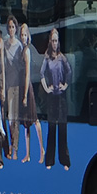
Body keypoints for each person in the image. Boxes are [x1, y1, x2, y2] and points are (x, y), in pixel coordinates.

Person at [40, 28, 72, 170]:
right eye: (52, 40)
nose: (54, 43)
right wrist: (47, 88)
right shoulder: (46, 58)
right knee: (51, 129)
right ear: (50, 42)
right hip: (51, 98)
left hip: (62, 98)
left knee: (62, 129)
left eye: (56, 40)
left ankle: (64, 160)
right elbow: (41, 74)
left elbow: (69, 71)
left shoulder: (62, 57)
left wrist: (65, 85)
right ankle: (49, 161)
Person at [18, 23, 45, 163]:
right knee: (26, 122)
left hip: (27, 88)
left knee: (34, 119)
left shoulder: (27, 51)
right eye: (21, 35)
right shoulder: (22, 50)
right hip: (23, 86)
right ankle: (28, 154)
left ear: (28, 36)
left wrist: (24, 96)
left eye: (25, 35)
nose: (23, 37)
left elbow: (27, 73)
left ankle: (41, 149)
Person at [3, 14, 24, 160]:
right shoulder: (4, 44)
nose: (11, 29)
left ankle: (15, 147)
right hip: (8, 85)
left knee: (15, 118)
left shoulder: (19, 45)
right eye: (9, 27)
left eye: (13, 27)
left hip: (17, 85)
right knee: (9, 118)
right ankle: (10, 144)